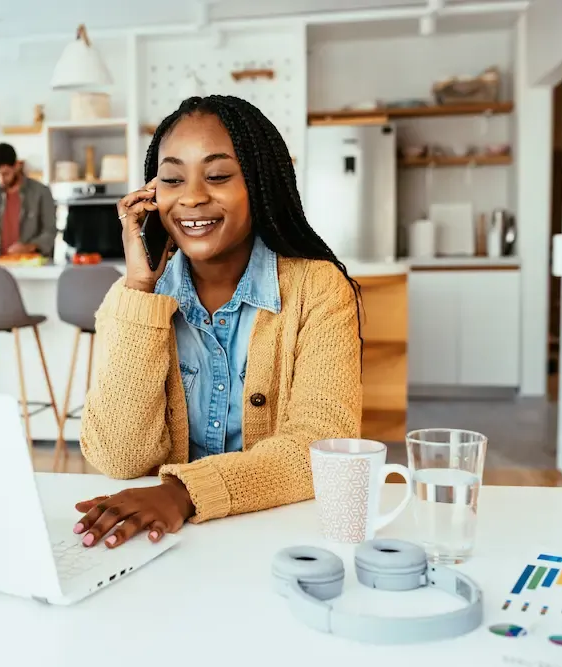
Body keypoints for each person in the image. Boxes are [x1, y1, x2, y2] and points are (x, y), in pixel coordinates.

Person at [73, 95, 364, 550]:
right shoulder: (134, 299)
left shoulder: (319, 289)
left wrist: (184, 492)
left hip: (279, 537)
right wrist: (138, 288)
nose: (191, 197)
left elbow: (321, 447)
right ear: (153, 195)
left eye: (218, 176)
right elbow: (119, 458)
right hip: (167, 543)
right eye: (172, 179)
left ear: (259, 184)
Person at [0, 143, 57, 258]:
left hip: (30, 264)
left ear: (17, 166)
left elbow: (50, 231)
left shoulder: (41, 192)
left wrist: (28, 247)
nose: (1, 180)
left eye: (5, 174)